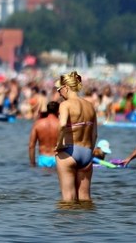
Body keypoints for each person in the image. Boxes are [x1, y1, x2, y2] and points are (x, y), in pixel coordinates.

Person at [54, 71, 97, 202]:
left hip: (69, 151)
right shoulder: (90, 106)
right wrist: (90, 152)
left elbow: (62, 126)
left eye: (59, 89)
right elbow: (94, 134)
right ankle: (87, 223)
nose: (58, 93)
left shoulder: (65, 105)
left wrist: (59, 144)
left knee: (68, 200)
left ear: (66, 88)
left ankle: (68, 224)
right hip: (87, 153)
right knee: (85, 199)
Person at [29, 101, 60, 168]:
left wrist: (32, 163)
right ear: (58, 111)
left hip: (43, 159)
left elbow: (31, 146)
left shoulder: (38, 124)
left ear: (47, 110)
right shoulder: (61, 124)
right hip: (58, 159)